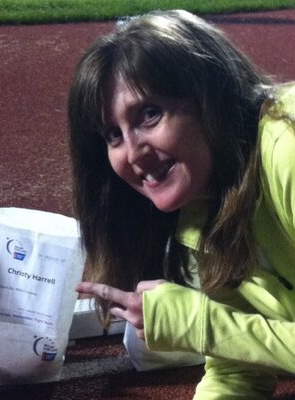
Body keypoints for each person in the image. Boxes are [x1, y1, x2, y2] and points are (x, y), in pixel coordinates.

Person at [68, 9, 295, 400]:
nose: (133, 153)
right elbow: (238, 367)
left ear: (210, 99)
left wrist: (195, 323)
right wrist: (208, 328)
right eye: (112, 135)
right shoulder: (199, 210)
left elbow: (220, 329)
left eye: (149, 114)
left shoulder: (287, 150)